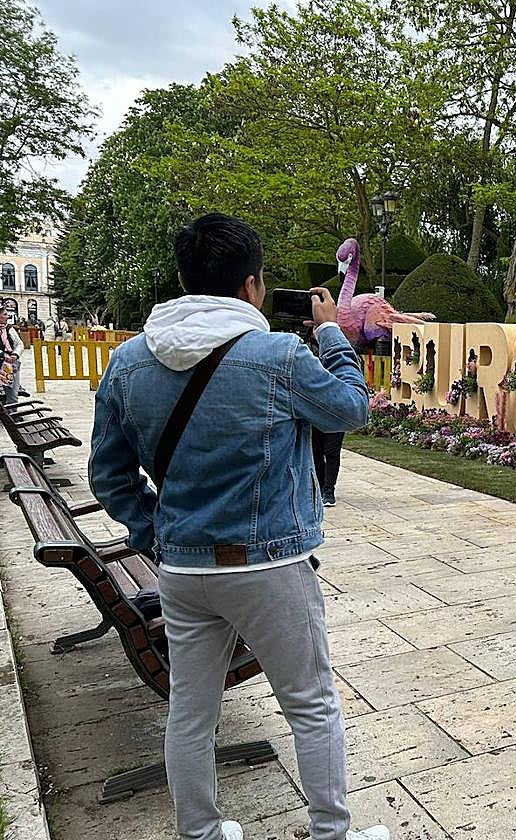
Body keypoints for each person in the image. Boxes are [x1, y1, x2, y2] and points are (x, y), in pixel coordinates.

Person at [89, 214, 387, 840]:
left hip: (183, 572)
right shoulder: (277, 355)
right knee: (310, 705)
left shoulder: (127, 363)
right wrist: (331, 334)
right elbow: (351, 409)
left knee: (192, 713)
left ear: (182, 279)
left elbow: (109, 478)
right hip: (271, 567)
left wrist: (158, 535)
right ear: (253, 286)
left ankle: (200, 830)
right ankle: (332, 831)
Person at [307, 328, 345, 506]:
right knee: (315, 450)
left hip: (336, 408)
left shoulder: (342, 351)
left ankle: (329, 489)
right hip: (315, 409)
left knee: (331, 451)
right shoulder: (305, 351)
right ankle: (320, 486)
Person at [0, 309, 24, 406]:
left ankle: (13, 414)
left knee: (12, 391)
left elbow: (19, 344)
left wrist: (15, 354)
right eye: (5, 314)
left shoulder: (9, 328)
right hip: (1, 361)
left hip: (10, 364)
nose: (7, 316)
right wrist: (2, 354)